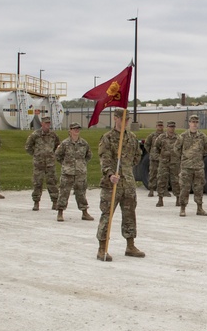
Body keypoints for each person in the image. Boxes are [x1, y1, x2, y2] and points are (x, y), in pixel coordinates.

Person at [96, 108, 144, 261]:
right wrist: (110, 174)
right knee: (107, 215)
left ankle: (130, 245)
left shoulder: (131, 137)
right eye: (122, 119)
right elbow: (104, 159)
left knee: (130, 214)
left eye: (127, 120)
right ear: (115, 118)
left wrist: (127, 168)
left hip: (128, 182)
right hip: (112, 183)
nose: (125, 122)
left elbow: (137, 156)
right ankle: (102, 248)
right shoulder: (107, 138)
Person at [55, 122, 94, 222]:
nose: (77, 130)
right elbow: (58, 156)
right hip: (67, 172)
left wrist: (81, 165)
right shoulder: (64, 144)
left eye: (78, 129)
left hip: (80, 172)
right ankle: (60, 212)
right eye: (75, 128)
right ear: (70, 130)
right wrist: (66, 165)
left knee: (81, 193)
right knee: (64, 192)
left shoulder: (84, 143)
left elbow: (88, 155)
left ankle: (84, 212)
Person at [175, 114, 207, 217]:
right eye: (193, 122)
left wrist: (198, 156)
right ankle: (182, 209)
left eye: (196, 122)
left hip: (198, 167)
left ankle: (199, 208)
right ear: (189, 123)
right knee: (184, 188)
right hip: (186, 167)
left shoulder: (202, 136)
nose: (194, 124)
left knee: (199, 188)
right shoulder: (183, 136)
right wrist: (185, 158)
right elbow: (176, 149)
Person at [26, 115, 60, 211]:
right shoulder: (35, 135)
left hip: (50, 163)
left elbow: (58, 146)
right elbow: (28, 146)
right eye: (46, 123)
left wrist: (52, 154)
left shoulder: (53, 135)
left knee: (52, 182)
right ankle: (36, 202)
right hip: (39, 163)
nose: (47, 125)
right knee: (37, 182)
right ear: (42, 124)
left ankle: (55, 202)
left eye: (49, 123)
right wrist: (36, 154)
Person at [152, 120, 180, 208]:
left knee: (176, 181)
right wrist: (159, 158)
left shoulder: (178, 138)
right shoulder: (161, 137)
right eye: (170, 127)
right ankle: (160, 199)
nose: (171, 129)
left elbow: (182, 149)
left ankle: (178, 199)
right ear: (167, 127)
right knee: (161, 180)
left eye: (173, 127)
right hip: (163, 163)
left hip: (174, 163)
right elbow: (155, 148)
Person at [144, 120, 165, 197]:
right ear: (156, 126)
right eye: (159, 125)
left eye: (161, 125)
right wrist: (151, 152)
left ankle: (162, 191)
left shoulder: (165, 135)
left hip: (163, 159)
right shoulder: (152, 135)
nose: (160, 127)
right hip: (154, 158)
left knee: (163, 175)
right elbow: (146, 144)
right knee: (152, 174)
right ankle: (151, 190)